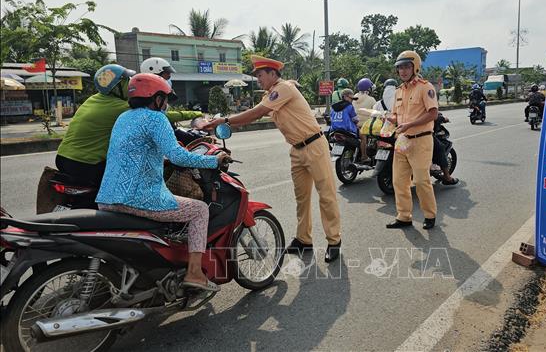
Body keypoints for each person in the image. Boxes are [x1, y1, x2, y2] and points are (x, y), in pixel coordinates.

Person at [96, 73, 228, 292]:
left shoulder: (123, 118)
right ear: (157, 99)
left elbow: (136, 152)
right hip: (139, 198)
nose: (166, 104)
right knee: (200, 210)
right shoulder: (156, 119)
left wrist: (161, 158)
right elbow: (179, 156)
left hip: (107, 198)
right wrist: (214, 160)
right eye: (165, 99)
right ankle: (195, 273)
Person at [203, 55, 342, 263]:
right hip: (297, 150)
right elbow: (254, 115)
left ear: (272, 73)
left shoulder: (283, 88)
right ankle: (304, 239)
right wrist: (222, 125)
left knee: (326, 195)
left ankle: (334, 241)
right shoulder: (270, 94)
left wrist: (223, 120)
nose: (258, 79)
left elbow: (257, 113)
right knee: (302, 198)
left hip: (314, 146)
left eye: (260, 75)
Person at [55, 64, 136, 187]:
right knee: (125, 182)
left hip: (62, 158)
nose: (129, 84)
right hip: (85, 163)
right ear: (116, 86)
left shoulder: (92, 99)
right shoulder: (120, 107)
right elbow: (155, 117)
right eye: (126, 81)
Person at [386, 50, 438, 230]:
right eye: (400, 68)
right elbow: (395, 115)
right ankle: (404, 216)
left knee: (422, 180)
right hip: (402, 140)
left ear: (415, 67)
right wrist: (390, 118)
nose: (403, 71)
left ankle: (430, 215)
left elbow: (433, 114)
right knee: (399, 181)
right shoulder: (399, 91)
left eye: (407, 66)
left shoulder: (425, 87)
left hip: (421, 141)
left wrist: (409, 124)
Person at [353, 78, 377, 163]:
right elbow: (376, 112)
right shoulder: (371, 99)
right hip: (365, 126)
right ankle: (364, 156)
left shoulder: (354, 97)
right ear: (368, 89)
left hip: (354, 125)